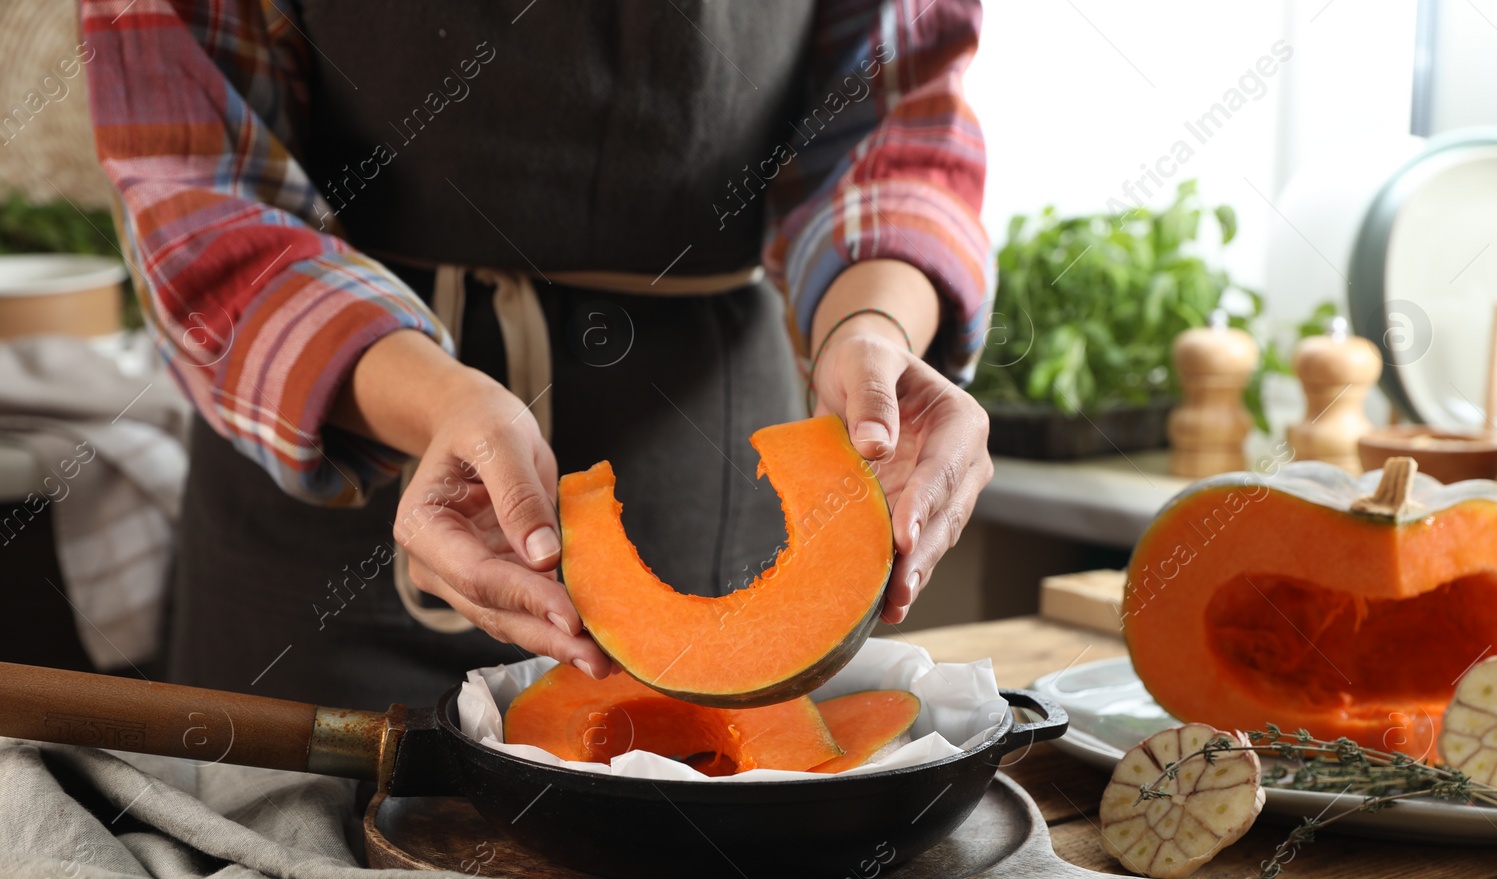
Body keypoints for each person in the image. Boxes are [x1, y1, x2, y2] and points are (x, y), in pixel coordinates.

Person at [84, 0, 993, 712]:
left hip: (710, 494)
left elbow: (888, 129)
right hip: (328, 545)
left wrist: (871, 330)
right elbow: (198, 195)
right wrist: (438, 402)